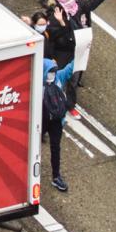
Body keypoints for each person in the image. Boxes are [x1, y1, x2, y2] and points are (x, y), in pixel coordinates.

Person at [42, 57, 73, 194]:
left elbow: (70, 69)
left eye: (54, 72)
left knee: (56, 148)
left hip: (56, 122)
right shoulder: (36, 83)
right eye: (50, 72)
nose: (52, 75)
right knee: (30, 148)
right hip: (41, 121)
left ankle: (56, 176)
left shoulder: (58, 77)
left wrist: (83, 52)